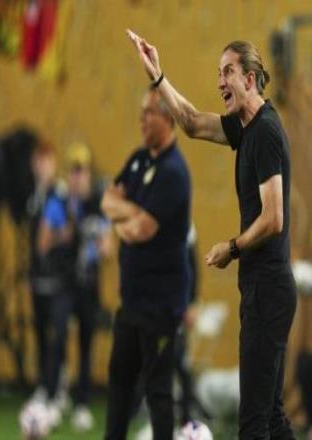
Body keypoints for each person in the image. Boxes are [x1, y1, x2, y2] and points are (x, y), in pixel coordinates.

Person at [128, 30, 297, 439]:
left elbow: (274, 218)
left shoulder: (265, 132)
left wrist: (232, 248)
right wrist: (158, 76)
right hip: (264, 288)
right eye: (219, 73)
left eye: (228, 72)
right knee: (272, 419)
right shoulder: (247, 128)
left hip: (268, 289)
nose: (220, 81)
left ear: (250, 79)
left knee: (253, 422)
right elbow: (190, 122)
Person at [101, 87, 191, 440]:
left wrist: (125, 219)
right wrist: (132, 213)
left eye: (149, 113)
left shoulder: (173, 172)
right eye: (141, 112)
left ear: (168, 118)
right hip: (131, 301)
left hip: (161, 305)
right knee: (119, 383)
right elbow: (108, 200)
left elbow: (143, 230)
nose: (141, 120)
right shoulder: (139, 159)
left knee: (158, 391)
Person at [37, 142, 112, 430]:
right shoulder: (59, 202)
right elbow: (42, 244)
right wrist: (63, 235)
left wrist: (98, 245)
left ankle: (82, 403)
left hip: (88, 283)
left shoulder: (98, 203)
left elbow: (109, 249)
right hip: (64, 282)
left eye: (82, 171)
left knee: (86, 342)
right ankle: (54, 397)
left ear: (89, 174)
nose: (78, 177)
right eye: (74, 171)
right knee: (57, 335)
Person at [26, 141, 58, 401]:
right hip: (38, 277)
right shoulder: (33, 199)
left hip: (57, 279)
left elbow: (65, 234)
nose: (41, 167)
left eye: (46, 161)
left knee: (56, 334)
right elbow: (31, 242)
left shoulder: (59, 195)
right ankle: (43, 384)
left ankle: (57, 385)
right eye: (38, 161)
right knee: (39, 332)